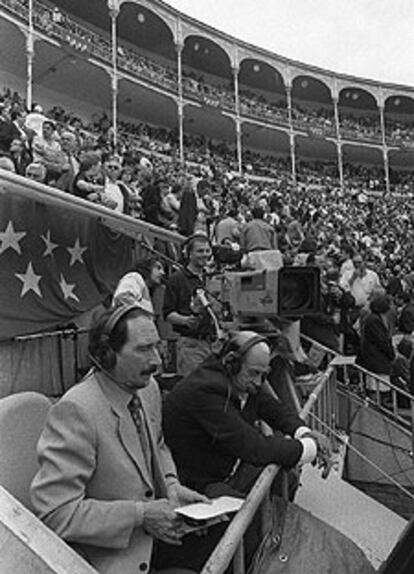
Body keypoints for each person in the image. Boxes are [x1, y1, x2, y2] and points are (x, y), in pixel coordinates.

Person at [31, 302, 222, 574]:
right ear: (107, 354)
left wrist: (171, 486)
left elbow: (157, 443)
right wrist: (140, 515)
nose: (157, 361)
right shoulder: (76, 411)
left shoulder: (147, 388)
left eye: (156, 346)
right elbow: (55, 514)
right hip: (111, 562)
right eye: (144, 349)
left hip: (153, 543)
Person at [163, 330, 332, 496]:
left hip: (228, 469)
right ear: (231, 362)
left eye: (263, 374)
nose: (258, 383)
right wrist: (309, 447)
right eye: (254, 373)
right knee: (255, 507)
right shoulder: (206, 391)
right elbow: (254, 448)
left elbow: (274, 410)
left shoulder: (239, 380)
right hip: (201, 484)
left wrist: (304, 432)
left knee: (287, 477)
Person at [163, 233, 216, 377]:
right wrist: (186, 320)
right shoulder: (177, 279)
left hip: (214, 344)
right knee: (195, 389)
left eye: (207, 251)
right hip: (191, 345)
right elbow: (167, 314)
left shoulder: (212, 278)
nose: (204, 254)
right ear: (189, 253)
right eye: (200, 251)